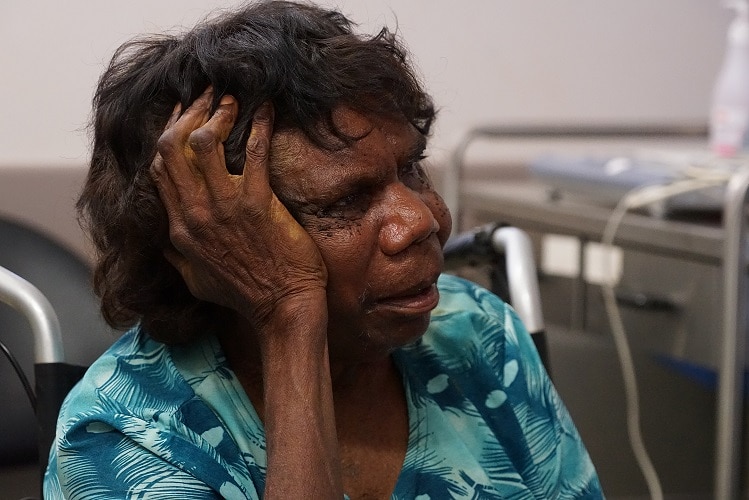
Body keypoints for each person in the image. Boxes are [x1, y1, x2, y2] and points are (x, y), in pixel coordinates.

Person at [44, 1, 603, 498]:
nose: (422, 220)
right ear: (207, 240)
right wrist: (288, 314)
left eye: (411, 169)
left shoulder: (477, 334)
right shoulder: (127, 440)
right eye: (345, 202)